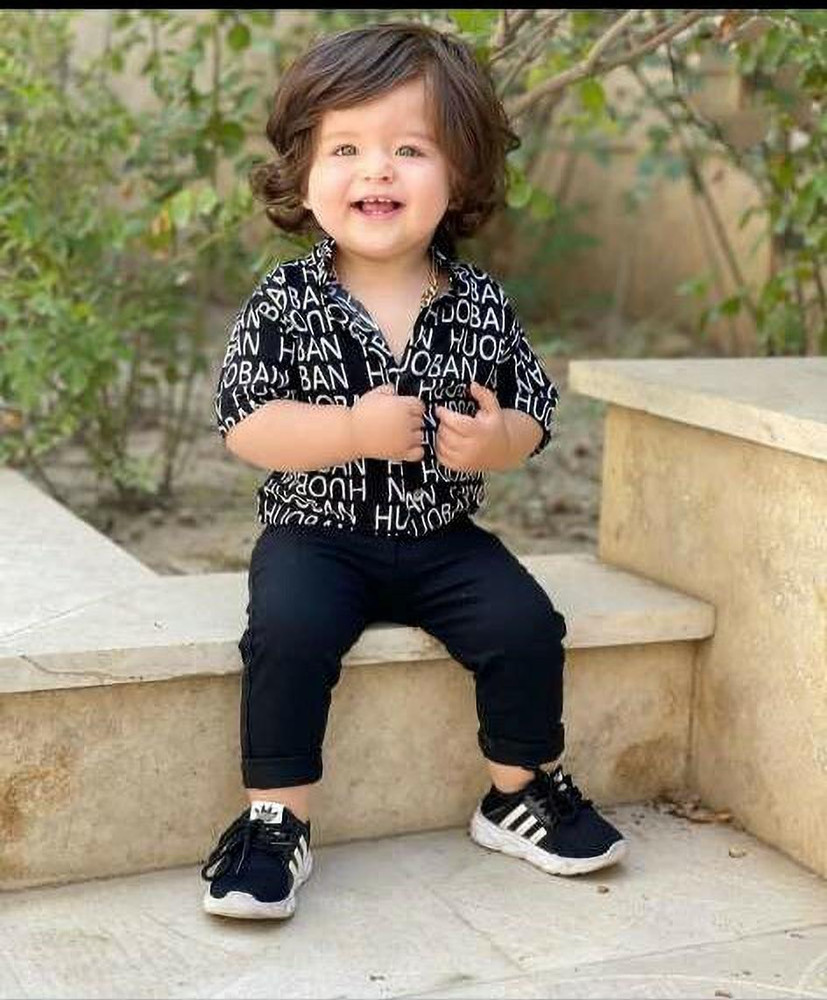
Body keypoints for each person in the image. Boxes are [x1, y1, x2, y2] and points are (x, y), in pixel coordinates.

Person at [202, 20, 627, 920]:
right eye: (346, 148)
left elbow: (532, 411)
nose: (377, 171)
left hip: (442, 536)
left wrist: (495, 440)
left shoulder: (478, 302)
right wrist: (350, 429)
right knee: (286, 634)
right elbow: (247, 422)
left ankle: (518, 790)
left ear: (459, 176)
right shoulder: (285, 302)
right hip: (315, 533)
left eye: (409, 149)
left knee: (523, 624)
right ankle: (275, 818)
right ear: (302, 175)